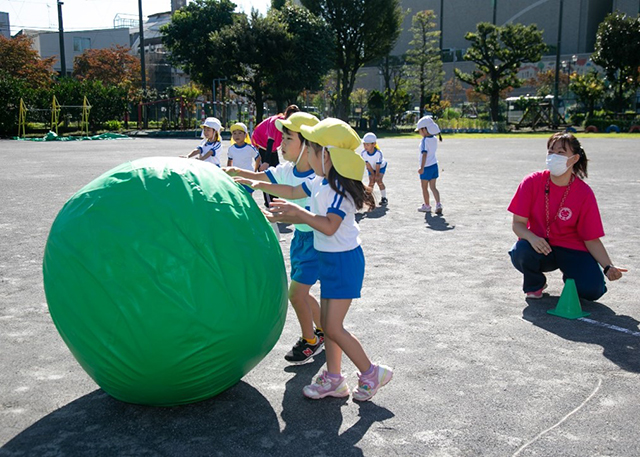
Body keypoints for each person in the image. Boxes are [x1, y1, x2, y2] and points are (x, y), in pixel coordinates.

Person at [235, 118, 393, 402]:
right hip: (331, 259)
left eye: (310, 150)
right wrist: (258, 187)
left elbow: (330, 225)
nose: (306, 155)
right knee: (330, 325)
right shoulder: (320, 182)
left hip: (344, 263)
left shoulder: (339, 190)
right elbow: (294, 192)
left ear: (327, 155)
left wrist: (297, 214)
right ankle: (335, 379)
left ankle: (371, 372)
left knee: (332, 327)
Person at [224, 112, 324, 364]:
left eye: (288, 138)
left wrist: (275, 216)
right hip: (301, 241)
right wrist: (233, 172)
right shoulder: (286, 169)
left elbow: (310, 215)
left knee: (296, 294)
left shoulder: (317, 179)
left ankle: (310, 340)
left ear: (307, 146)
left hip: (317, 242)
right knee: (300, 290)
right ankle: (324, 331)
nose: (280, 144)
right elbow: (261, 178)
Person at [508, 132, 626, 300]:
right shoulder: (531, 182)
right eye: (550, 151)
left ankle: (573, 277)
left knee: (592, 291)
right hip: (541, 246)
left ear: (575, 158)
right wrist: (531, 237)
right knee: (521, 251)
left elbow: (591, 238)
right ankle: (535, 284)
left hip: (572, 248)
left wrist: (608, 267)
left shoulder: (584, 193)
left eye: (561, 152)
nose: (553, 156)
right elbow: (517, 223)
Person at [252, 105, 300, 207]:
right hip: (261, 143)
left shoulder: (291, 125)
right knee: (267, 173)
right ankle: (270, 203)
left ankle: (275, 201)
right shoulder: (276, 122)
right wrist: (266, 162)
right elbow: (270, 142)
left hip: (272, 148)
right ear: (285, 115)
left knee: (276, 175)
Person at [416, 116, 443, 214]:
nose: (419, 132)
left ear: (424, 129)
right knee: (433, 187)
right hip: (434, 165)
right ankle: (438, 204)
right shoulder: (434, 139)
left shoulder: (424, 141)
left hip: (426, 167)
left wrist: (421, 168)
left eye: (420, 130)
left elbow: (424, 154)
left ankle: (427, 206)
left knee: (424, 188)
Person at [226, 122, 260, 193]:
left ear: (245, 135)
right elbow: (229, 161)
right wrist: (228, 173)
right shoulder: (231, 149)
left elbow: (258, 158)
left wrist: (255, 171)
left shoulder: (250, 148)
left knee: (248, 195)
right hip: (236, 175)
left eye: (240, 133)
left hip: (248, 176)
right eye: (234, 133)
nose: (237, 135)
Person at [361, 132, 388, 205]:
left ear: (374, 144)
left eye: (367, 144)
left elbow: (378, 166)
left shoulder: (378, 153)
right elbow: (368, 165)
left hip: (380, 167)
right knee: (371, 182)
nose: (365, 146)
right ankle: (368, 199)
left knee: (379, 181)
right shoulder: (363, 153)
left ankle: (384, 198)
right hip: (371, 168)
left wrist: (377, 175)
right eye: (364, 144)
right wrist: (372, 174)